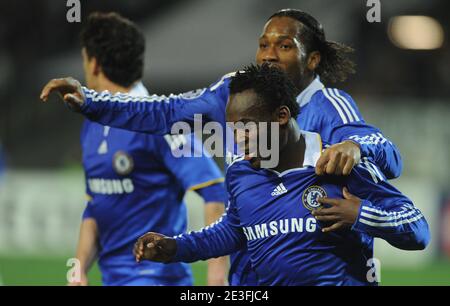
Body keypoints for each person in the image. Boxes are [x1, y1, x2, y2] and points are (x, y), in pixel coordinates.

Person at [41, 9, 402, 285]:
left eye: (284, 46)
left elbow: (388, 154)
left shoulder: (329, 107)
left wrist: (356, 144)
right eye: (263, 45)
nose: (270, 55)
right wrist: (92, 102)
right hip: (247, 276)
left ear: (313, 59)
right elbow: (166, 111)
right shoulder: (235, 93)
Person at [133, 64, 429, 286]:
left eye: (247, 125)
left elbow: (418, 230)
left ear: (282, 116)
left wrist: (361, 215)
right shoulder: (241, 174)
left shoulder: (337, 164)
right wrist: (176, 247)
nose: (238, 138)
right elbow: (233, 231)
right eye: (233, 128)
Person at [69, 12, 227, 286]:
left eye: (84, 60)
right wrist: (79, 270)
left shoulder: (159, 122)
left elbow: (214, 188)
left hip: (158, 279)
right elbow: (95, 207)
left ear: (94, 64)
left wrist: (216, 279)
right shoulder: (92, 122)